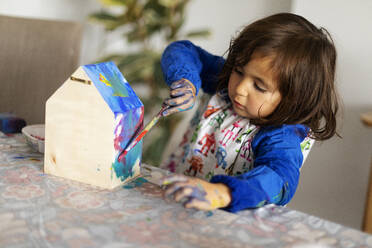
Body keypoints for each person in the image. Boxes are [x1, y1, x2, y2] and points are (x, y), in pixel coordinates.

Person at [159, 13, 339, 212]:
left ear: (293, 98)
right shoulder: (223, 79)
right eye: (238, 70)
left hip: (228, 224)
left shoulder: (281, 135)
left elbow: (279, 179)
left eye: (259, 87)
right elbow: (182, 50)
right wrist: (185, 80)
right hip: (177, 198)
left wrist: (223, 192)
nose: (240, 88)